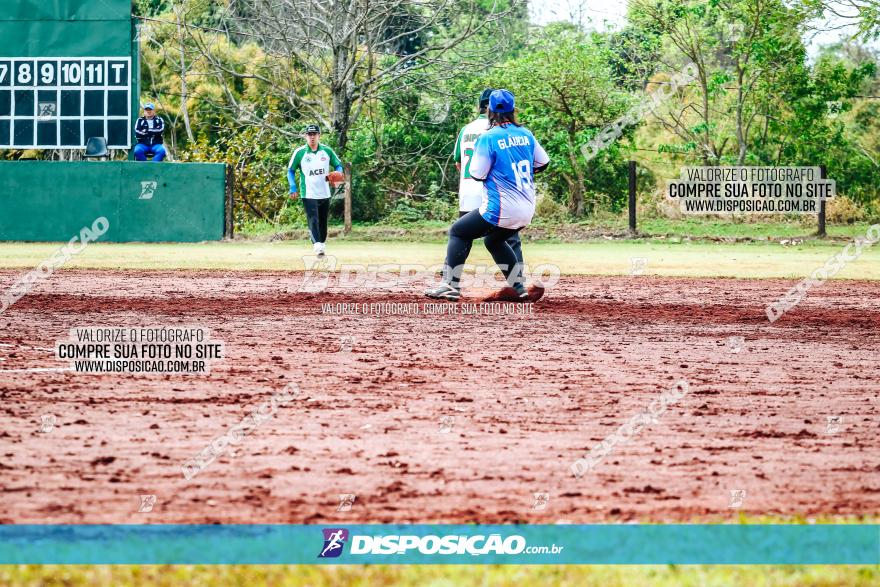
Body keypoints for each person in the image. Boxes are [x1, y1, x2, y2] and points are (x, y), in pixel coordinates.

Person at [426, 89, 550, 301]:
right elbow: (543, 163)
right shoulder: (526, 134)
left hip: (501, 207)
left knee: (458, 232)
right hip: (527, 207)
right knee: (494, 240)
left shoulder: (488, 137)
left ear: (489, 110)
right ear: (513, 110)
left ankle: (450, 285)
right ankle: (519, 288)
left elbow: (477, 173)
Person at [453, 88, 523, 266]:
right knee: (509, 237)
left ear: (480, 106)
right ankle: (518, 280)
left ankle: (450, 275)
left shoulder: (466, 129)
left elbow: (459, 163)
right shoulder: (502, 130)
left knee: (461, 235)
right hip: (495, 196)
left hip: (468, 192)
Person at [287, 124, 344, 257]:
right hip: (308, 192)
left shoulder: (327, 151)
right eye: (309, 134)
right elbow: (290, 170)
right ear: (306, 136)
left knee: (323, 221)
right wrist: (292, 186)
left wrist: (338, 173)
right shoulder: (300, 152)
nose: (312, 137)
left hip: (324, 191)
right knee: (313, 218)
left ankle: (321, 243)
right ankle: (317, 245)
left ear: (319, 135)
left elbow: (338, 165)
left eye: (314, 134)